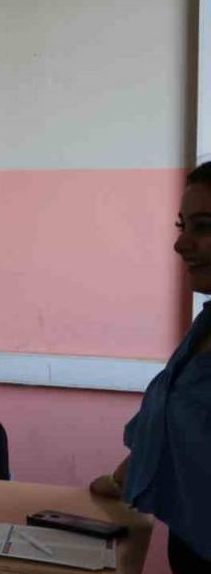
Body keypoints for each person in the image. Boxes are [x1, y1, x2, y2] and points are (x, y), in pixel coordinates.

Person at [88, 164, 211, 573]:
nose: (181, 244)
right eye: (182, 225)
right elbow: (167, 423)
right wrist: (118, 480)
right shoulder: (205, 327)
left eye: (203, 227)